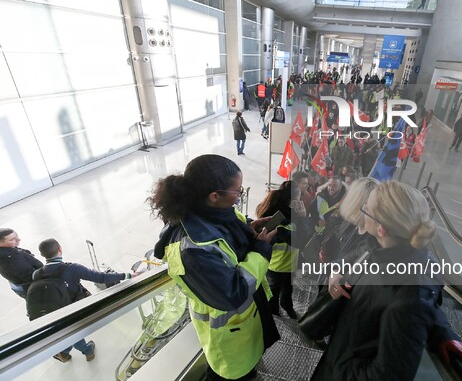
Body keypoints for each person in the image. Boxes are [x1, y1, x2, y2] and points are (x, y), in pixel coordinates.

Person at [312, 180, 462, 380]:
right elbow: (358, 254)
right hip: (344, 350)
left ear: (381, 229)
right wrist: (337, 271)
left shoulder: (405, 298)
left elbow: (387, 376)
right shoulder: (385, 248)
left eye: (366, 209)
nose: (362, 209)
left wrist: (340, 369)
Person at [149, 154, 280, 381]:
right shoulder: (192, 250)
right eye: (237, 191)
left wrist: (250, 227)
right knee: (230, 373)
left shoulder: (212, 212)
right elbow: (233, 293)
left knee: (245, 367)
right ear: (214, 196)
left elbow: (229, 229)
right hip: (228, 334)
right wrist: (261, 250)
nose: (240, 196)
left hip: (246, 321)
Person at [34, 238, 139, 363]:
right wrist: (127, 275)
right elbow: (101, 277)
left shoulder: (36, 274)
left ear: (42, 255)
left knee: (66, 333)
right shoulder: (72, 269)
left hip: (54, 312)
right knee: (74, 333)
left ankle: (64, 351)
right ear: (60, 249)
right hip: (73, 309)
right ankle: (87, 351)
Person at [255, 181, 301, 320]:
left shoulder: (291, 215)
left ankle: (287, 306)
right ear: (292, 200)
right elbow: (297, 240)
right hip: (277, 265)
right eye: (300, 195)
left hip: (289, 263)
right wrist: (303, 217)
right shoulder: (279, 219)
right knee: (273, 292)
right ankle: (274, 312)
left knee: (288, 289)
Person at [0, 228, 43, 299]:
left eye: (16, 236)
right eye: (12, 239)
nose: (18, 239)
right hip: (31, 287)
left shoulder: (7, 250)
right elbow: (30, 276)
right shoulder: (11, 259)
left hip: (18, 283)